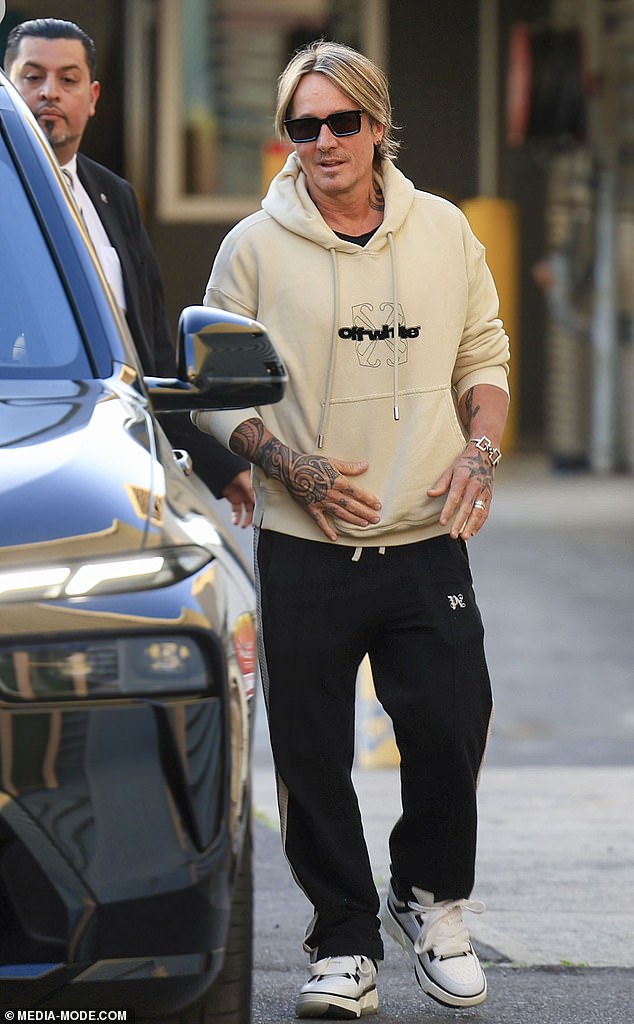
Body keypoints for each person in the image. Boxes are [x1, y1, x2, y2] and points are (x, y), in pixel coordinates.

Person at [192, 40, 510, 1019]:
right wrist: (289, 463)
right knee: (310, 750)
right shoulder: (252, 244)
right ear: (286, 135)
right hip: (302, 545)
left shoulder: (445, 231)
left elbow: (482, 353)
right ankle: (342, 940)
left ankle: (428, 901)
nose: (322, 142)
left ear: (376, 125)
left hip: (424, 538)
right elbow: (210, 390)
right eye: (302, 125)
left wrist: (480, 451)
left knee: (450, 726)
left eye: (341, 122)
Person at [3, 17, 252, 523]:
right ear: (7, 85)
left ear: (92, 96)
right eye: (32, 77)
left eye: (68, 79)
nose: (49, 92)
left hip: (120, 457)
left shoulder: (113, 195)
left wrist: (217, 465)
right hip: (20, 459)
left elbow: (150, 354)